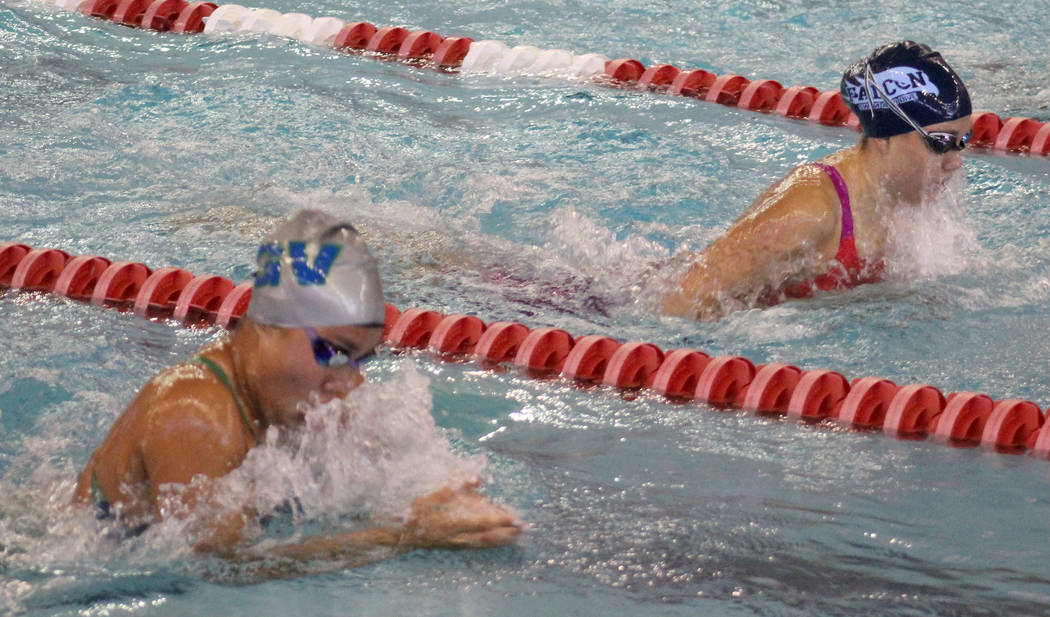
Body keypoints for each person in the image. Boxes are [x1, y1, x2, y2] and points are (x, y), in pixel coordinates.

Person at [73, 209, 522, 562]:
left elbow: (395, 464)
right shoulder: (195, 417)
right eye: (333, 351)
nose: (346, 385)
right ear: (269, 323)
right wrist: (404, 537)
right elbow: (226, 568)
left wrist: (449, 501)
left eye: (360, 359)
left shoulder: (297, 390)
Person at [662, 41, 973, 320]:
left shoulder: (908, 196)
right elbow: (683, 300)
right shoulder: (811, 209)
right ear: (883, 137)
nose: (955, 160)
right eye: (940, 141)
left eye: (963, 140)